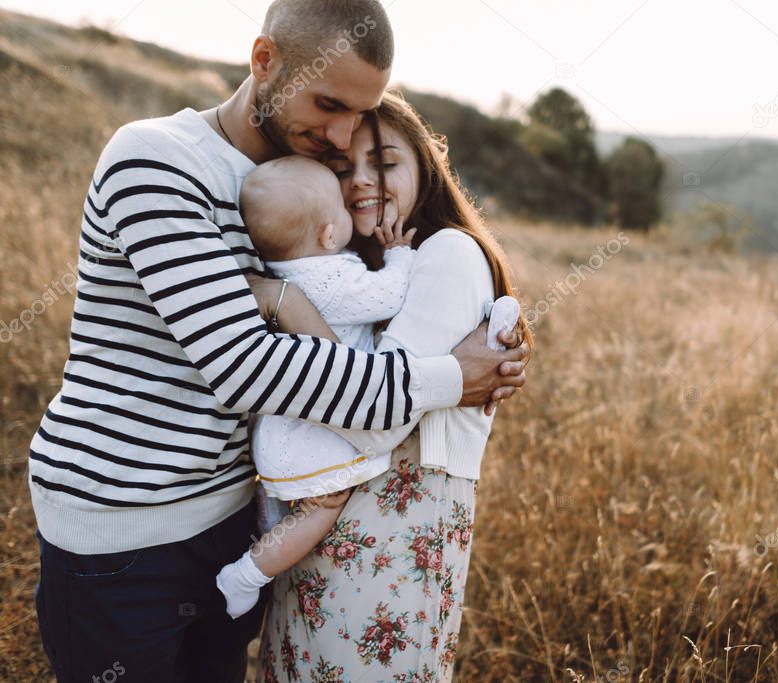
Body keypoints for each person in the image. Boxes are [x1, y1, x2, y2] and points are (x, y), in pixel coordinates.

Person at [29, 2, 529, 681]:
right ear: (264, 60)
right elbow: (245, 366)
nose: (342, 133)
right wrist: (446, 376)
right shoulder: (156, 158)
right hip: (125, 534)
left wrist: (492, 322)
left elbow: (371, 298)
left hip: (233, 520)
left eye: (362, 113)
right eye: (328, 103)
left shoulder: (311, 181)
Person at [256, 90, 534, 682]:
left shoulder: (448, 253)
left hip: (391, 547)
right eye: (341, 167)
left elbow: (376, 420)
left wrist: (284, 303)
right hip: (324, 539)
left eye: (384, 164)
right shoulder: (362, 268)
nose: (360, 181)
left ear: (424, 169)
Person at [215, 155, 418, 619]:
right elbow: (390, 294)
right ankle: (247, 574)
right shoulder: (331, 279)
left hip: (280, 435)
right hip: (310, 441)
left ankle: (268, 549)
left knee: (289, 506)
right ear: (330, 235)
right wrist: (402, 255)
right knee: (323, 506)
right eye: (343, 211)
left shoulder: (283, 273)